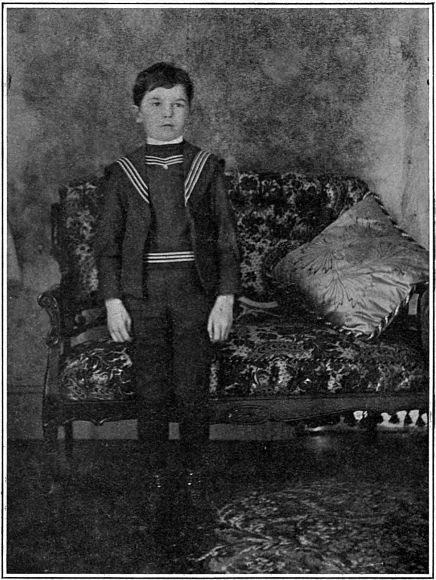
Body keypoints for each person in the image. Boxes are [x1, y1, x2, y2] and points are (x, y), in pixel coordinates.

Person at [94, 62, 241, 503]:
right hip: (142, 297)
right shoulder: (122, 173)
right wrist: (113, 302)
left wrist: (225, 299)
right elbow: (107, 247)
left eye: (178, 104)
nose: (167, 113)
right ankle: (154, 474)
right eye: (156, 103)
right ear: (137, 112)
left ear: (189, 111)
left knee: (193, 388)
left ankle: (195, 472)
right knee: (152, 390)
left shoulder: (206, 167)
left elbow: (227, 241)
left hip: (195, 295)